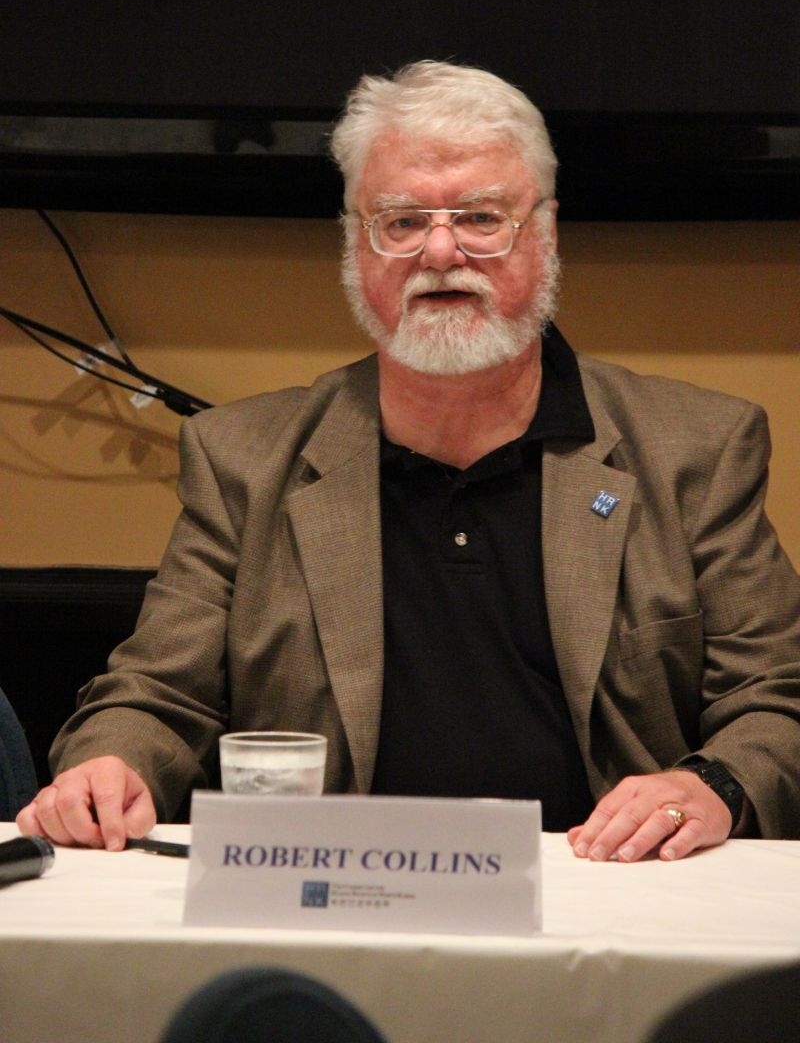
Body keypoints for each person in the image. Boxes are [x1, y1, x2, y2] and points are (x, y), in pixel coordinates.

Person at [17, 60, 800, 861]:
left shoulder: (695, 450)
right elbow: (154, 695)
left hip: (607, 890)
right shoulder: (245, 460)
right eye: (400, 221)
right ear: (356, 250)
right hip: (331, 895)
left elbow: (777, 700)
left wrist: (714, 785)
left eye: (482, 217)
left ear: (546, 235)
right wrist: (110, 764)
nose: (440, 250)